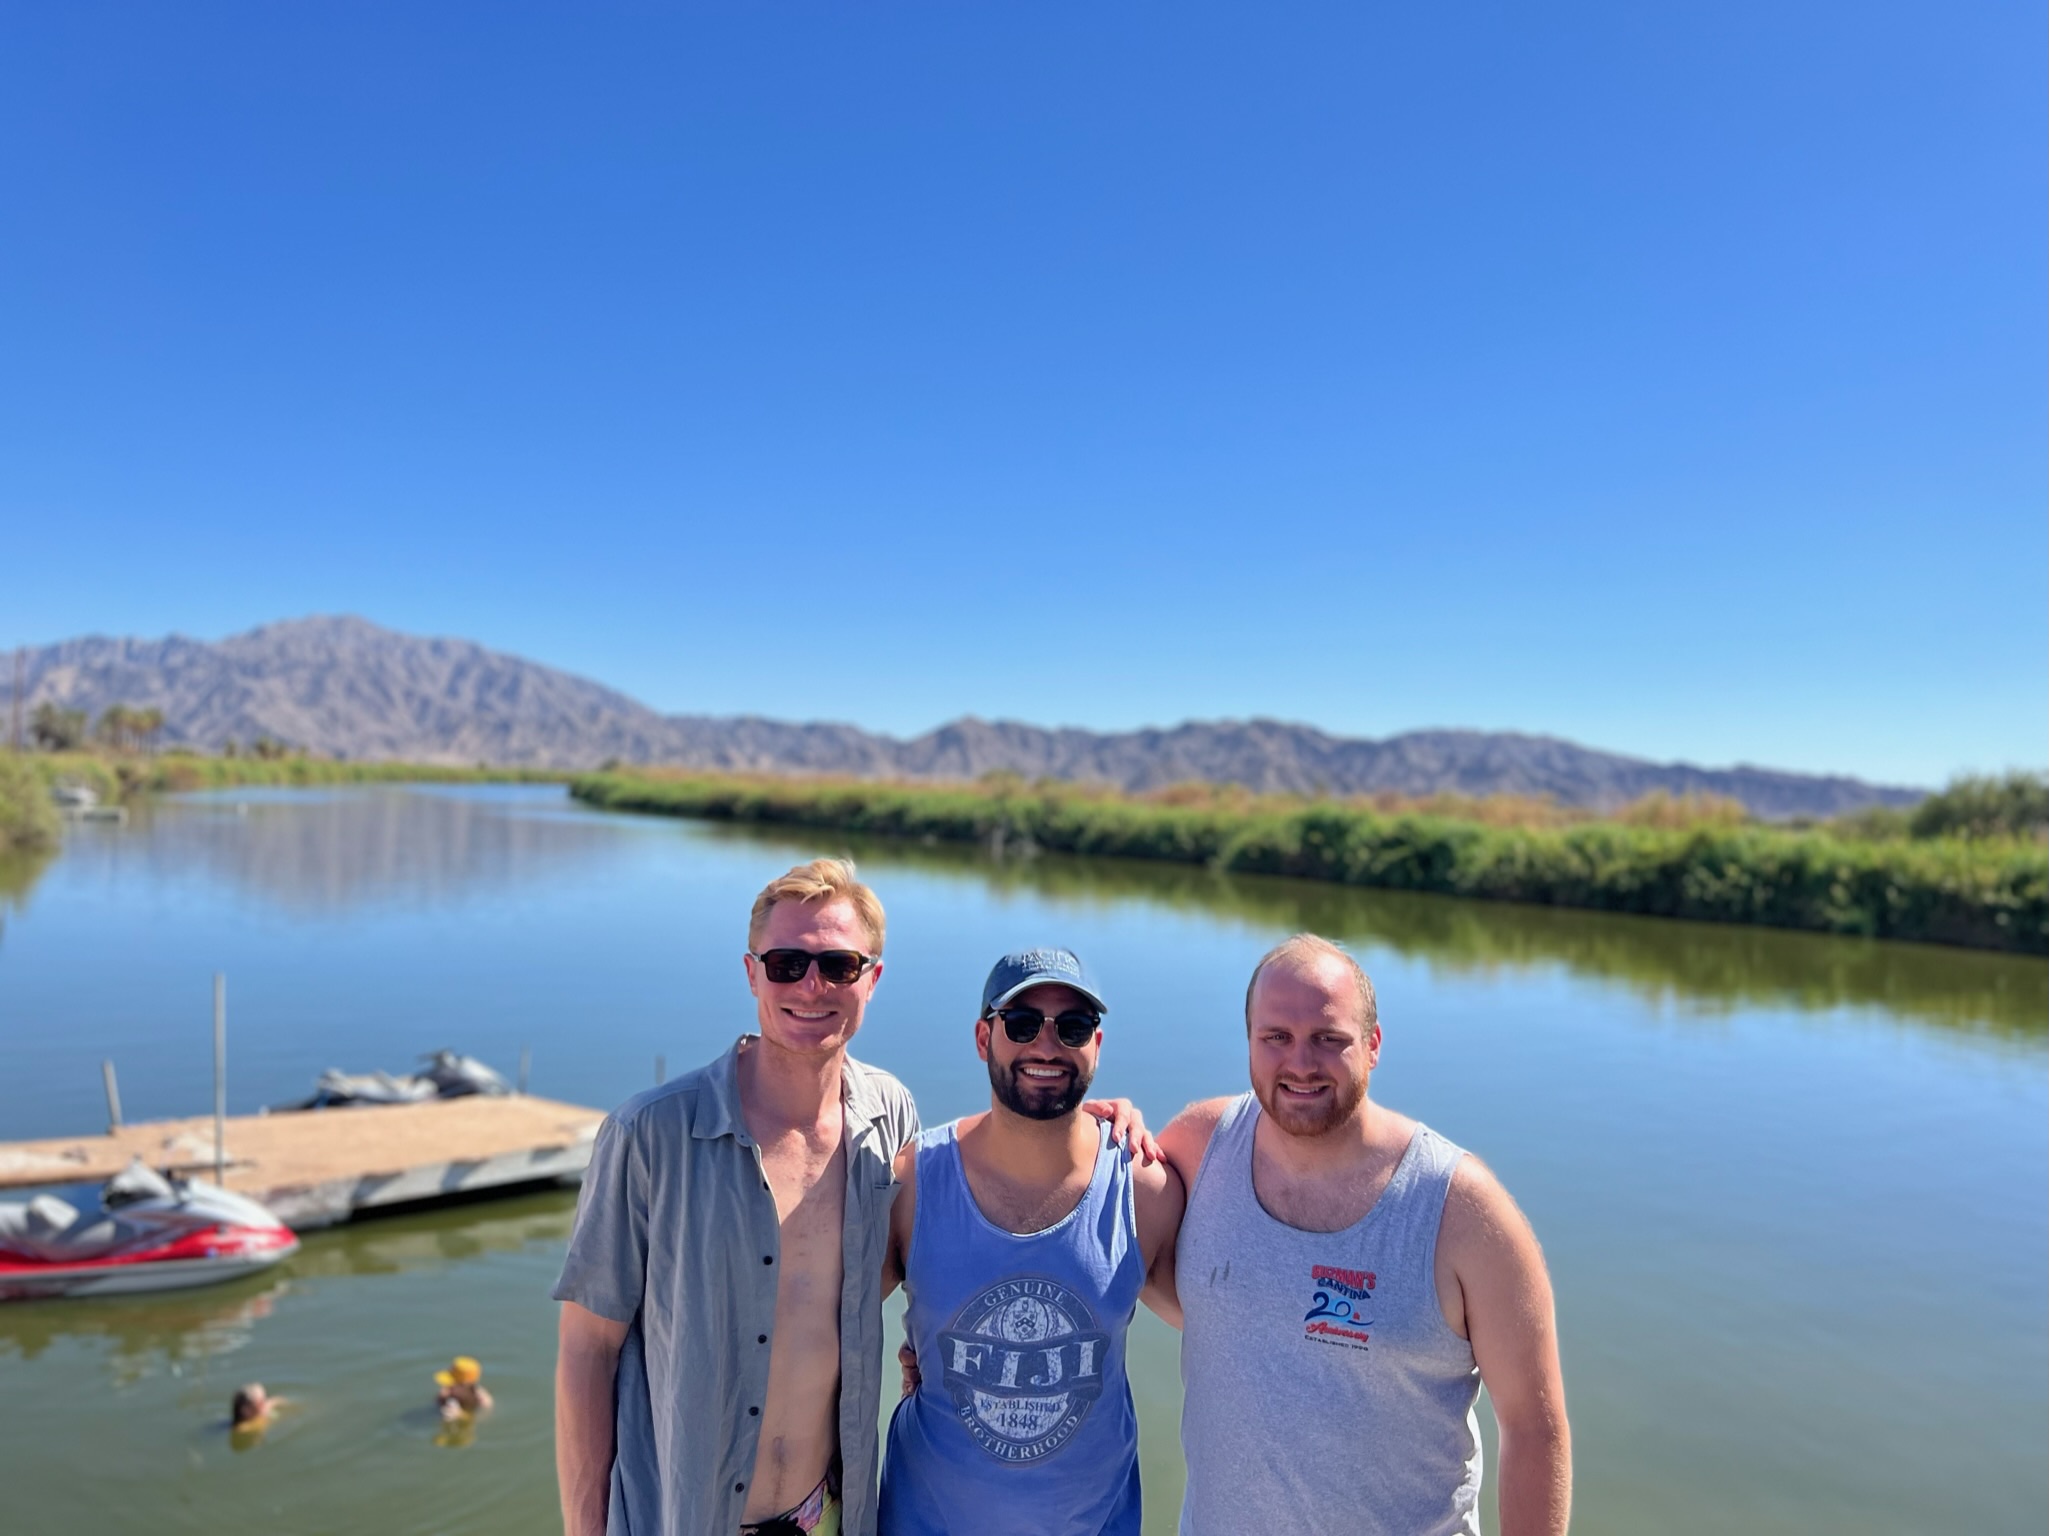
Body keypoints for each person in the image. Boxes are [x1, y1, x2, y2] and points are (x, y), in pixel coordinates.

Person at [553, 860, 1151, 1536]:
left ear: (872, 979)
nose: (811, 986)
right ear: (751, 973)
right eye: (786, 964)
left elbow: (953, 1240)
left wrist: (1081, 1115)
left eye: (838, 966)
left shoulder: (889, 1117)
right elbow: (587, 1350)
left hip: (828, 1516)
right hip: (681, 1515)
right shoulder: (651, 1133)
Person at [1155, 934, 1572, 1536]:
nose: (1301, 1063)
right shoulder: (1200, 1147)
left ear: (1373, 1045)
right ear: (1248, 1040)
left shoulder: (1462, 1210)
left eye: (1329, 1038)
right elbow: (1155, 1271)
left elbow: (1534, 1429)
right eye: (1277, 1037)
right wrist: (1096, 1126)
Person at [879, 948, 1181, 1536]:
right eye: (1021, 1024)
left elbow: (1230, 1325)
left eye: (1073, 1027)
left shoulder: (1146, 1189)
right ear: (983, 1037)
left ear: (1097, 1045)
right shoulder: (912, 1182)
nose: (1046, 1046)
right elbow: (820, 1321)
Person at [435, 1355, 495, 1420]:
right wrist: (441, 1401)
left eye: (452, 1383)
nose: (447, 1386)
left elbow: (482, 1419)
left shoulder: (482, 1400)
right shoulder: (447, 1391)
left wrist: (460, 1415)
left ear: (465, 1385)